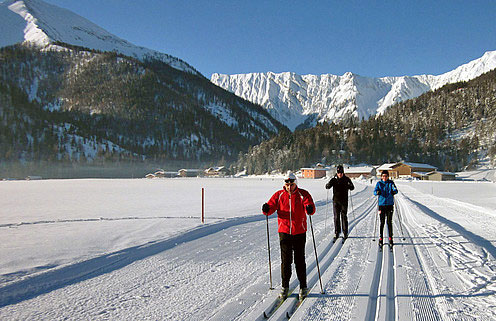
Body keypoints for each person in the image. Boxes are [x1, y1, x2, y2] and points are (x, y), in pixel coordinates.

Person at [262, 172, 315, 301]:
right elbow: (270, 208)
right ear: (284, 184)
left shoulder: (303, 194)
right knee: (286, 262)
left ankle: (303, 286)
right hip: (284, 232)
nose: (289, 187)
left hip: (299, 232)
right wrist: (266, 208)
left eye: (291, 184)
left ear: (295, 183)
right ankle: (285, 287)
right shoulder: (279, 195)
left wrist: (309, 208)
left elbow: (311, 207)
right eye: (287, 184)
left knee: (299, 260)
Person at [325, 165, 355, 242]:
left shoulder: (346, 179)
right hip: (336, 201)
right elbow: (328, 186)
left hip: (344, 201)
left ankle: (345, 233)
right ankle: (337, 232)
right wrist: (328, 185)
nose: (340, 174)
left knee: (344, 216)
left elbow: (352, 187)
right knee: (336, 217)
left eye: (341, 172)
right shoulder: (334, 180)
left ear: (343, 172)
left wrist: (349, 186)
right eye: (338, 172)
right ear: (337, 172)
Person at [374, 170, 398, 247]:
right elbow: (374, 191)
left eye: (386, 176)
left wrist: (394, 191)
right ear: (381, 177)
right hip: (382, 205)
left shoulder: (391, 183)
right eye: (383, 176)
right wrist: (377, 192)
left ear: (388, 176)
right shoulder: (379, 183)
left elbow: (395, 189)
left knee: (389, 222)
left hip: (389, 205)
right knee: (382, 222)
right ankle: (381, 238)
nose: (384, 177)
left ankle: (390, 238)